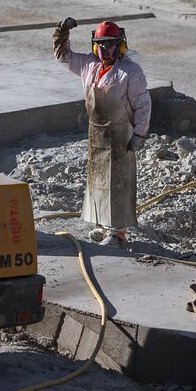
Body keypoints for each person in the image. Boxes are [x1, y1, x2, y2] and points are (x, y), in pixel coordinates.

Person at [53, 18, 151, 246]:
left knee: (118, 181)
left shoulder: (130, 72)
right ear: (95, 45)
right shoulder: (89, 65)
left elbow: (143, 104)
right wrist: (61, 32)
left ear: (121, 45)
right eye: (102, 44)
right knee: (98, 181)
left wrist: (139, 134)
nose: (107, 49)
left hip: (120, 135)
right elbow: (62, 56)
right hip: (96, 133)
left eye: (112, 44)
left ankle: (117, 233)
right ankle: (101, 224)